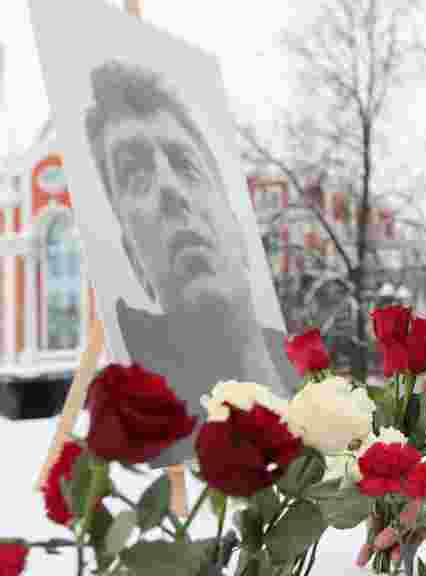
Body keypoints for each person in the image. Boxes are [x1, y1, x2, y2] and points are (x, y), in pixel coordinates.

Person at [84, 60, 300, 466]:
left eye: (184, 164)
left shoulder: (311, 383)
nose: (168, 188)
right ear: (134, 258)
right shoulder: (145, 418)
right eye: (135, 174)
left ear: (238, 230)